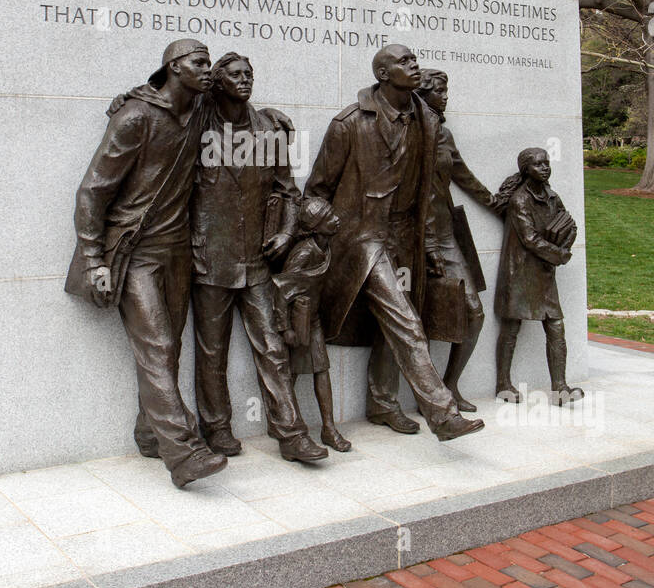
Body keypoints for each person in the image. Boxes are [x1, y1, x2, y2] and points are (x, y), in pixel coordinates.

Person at [65, 39, 227, 489]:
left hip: (176, 252)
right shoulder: (135, 116)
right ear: (174, 68)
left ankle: (150, 433)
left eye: (209, 62)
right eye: (199, 63)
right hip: (133, 254)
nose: (208, 70)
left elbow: (236, 91)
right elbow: (92, 191)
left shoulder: (198, 109)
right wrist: (94, 258)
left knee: (168, 347)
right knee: (156, 346)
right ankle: (184, 452)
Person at [304, 43, 484, 442]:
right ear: (383, 74)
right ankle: (442, 412)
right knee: (406, 321)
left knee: (396, 320)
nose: (413, 65)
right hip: (363, 239)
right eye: (404, 61)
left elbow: (430, 191)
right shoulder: (348, 124)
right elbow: (316, 190)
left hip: (406, 236)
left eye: (414, 59)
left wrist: (433, 246)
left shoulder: (427, 122)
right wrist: (332, 227)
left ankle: (383, 403)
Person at [190, 53, 328, 464]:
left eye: (250, 74)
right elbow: (163, 108)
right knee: (211, 352)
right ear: (217, 82)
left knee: (272, 348)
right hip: (209, 258)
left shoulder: (268, 127)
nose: (246, 80)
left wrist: (287, 231)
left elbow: (288, 190)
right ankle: (216, 428)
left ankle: (291, 433)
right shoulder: (198, 124)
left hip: (258, 261)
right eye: (235, 75)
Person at [416, 68, 494, 412]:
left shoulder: (443, 134)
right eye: (441, 91)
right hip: (414, 235)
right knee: (415, 319)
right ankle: (423, 396)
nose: (446, 97)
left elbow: (463, 175)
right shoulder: (406, 132)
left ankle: (448, 386)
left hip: (446, 236)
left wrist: (496, 204)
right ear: (423, 94)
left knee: (471, 313)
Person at [492, 146, 582, 404]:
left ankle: (560, 388)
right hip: (519, 272)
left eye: (547, 163)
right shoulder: (520, 199)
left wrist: (566, 244)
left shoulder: (552, 196)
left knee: (555, 326)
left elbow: (568, 223)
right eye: (538, 164)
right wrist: (559, 255)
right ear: (526, 170)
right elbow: (529, 239)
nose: (545, 167)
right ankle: (503, 384)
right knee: (511, 327)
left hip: (543, 272)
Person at [272, 195, 350, 452]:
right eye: (329, 217)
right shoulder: (303, 253)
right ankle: (283, 420)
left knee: (321, 369)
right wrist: (286, 328)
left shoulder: (326, 246)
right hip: (299, 320)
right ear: (316, 226)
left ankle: (328, 428)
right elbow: (282, 290)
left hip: (313, 319)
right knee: (291, 373)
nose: (336, 218)